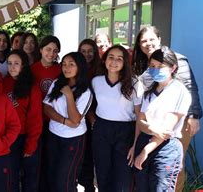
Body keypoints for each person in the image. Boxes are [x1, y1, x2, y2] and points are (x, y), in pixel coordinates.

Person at [132, 26, 202, 191]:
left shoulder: (176, 59)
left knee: (173, 168)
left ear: (159, 39)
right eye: (143, 41)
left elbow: (190, 87)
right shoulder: (145, 65)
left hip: (176, 122)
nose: (148, 43)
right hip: (152, 121)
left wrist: (194, 115)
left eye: (151, 39)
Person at [91, 45, 143, 192]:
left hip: (125, 132)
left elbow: (139, 116)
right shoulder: (96, 81)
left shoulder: (134, 83)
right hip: (102, 130)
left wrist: (135, 144)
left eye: (119, 59)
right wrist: (94, 122)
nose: (114, 62)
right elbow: (90, 106)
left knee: (122, 177)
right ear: (104, 59)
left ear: (125, 62)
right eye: (111, 57)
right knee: (103, 174)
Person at [43, 52, 93, 192]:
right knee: (52, 175)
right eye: (64, 64)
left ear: (80, 67)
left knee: (65, 180)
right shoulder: (56, 83)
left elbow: (76, 120)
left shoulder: (86, 92)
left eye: (71, 64)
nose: (66, 68)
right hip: (54, 135)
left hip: (73, 140)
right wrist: (64, 121)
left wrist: (70, 96)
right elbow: (46, 108)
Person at [3, 50, 43, 192]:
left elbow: (35, 118)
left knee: (30, 178)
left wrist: (31, 144)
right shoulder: (2, 83)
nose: (12, 67)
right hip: (8, 139)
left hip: (27, 137)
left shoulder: (32, 86)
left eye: (16, 63)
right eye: (9, 63)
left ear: (23, 66)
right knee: (10, 178)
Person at [30, 35, 62, 192]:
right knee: (37, 159)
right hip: (36, 121)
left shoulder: (61, 70)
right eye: (48, 49)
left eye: (55, 51)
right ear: (41, 49)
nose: (51, 54)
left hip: (54, 121)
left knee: (52, 158)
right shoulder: (31, 69)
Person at [77, 38, 102, 192]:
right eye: (83, 51)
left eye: (90, 51)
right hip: (80, 118)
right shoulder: (76, 69)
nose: (87, 54)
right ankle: (86, 186)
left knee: (94, 156)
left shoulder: (101, 70)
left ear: (95, 52)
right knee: (83, 156)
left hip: (97, 119)